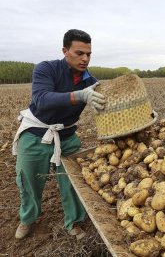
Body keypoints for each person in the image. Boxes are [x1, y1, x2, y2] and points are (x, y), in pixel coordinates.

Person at [12, 29, 106, 240]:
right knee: (29, 181)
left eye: (88, 54)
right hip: (36, 133)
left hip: (67, 135)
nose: (85, 59)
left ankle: (73, 221)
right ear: (65, 51)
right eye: (79, 53)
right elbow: (42, 99)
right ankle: (27, 218)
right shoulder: (46, 69)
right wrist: (78, 95)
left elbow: (108, 105)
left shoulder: (90, 81)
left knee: (73, 182)